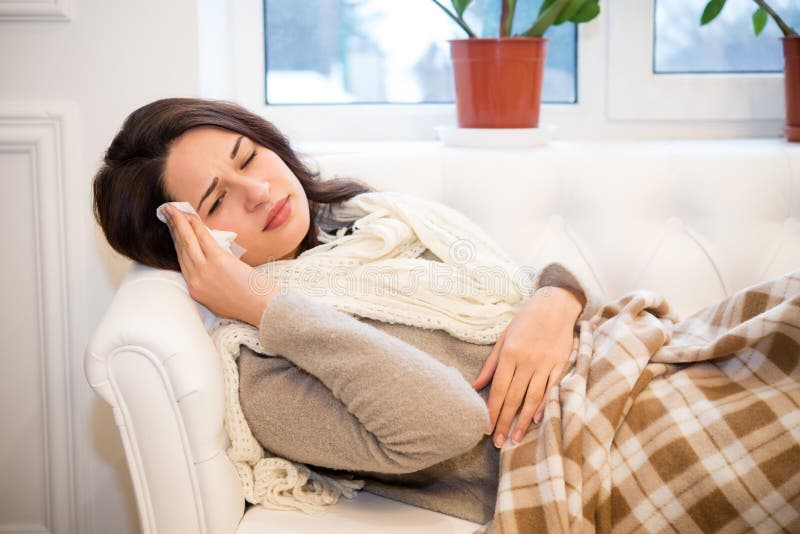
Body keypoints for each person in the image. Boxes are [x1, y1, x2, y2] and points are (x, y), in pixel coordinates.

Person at [92, 97, 603, 524]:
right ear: (190, 247)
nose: (259, 191)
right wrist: (263, 303)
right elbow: (449, 420)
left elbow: (535, 279)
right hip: (601, 447)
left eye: (247, 158)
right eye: (216, 201)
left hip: (633, 356)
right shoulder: (264, 374)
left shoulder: (367, 225)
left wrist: (551, 302)